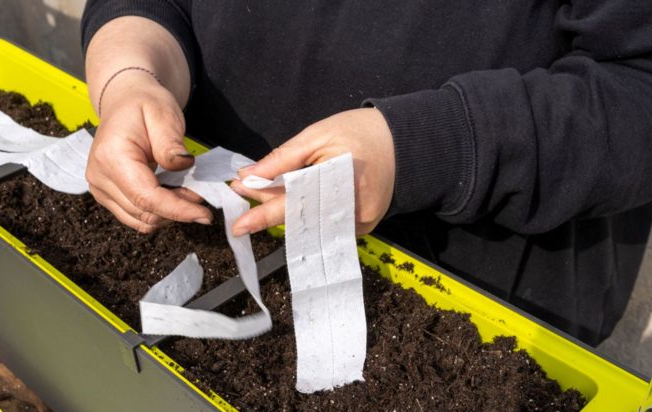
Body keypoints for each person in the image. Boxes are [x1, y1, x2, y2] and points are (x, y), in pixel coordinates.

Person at [80, 1, 652, 346]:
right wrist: (131, 72)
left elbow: (637, 88)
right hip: (213, 230)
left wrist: (423, 149)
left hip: (469, 295)